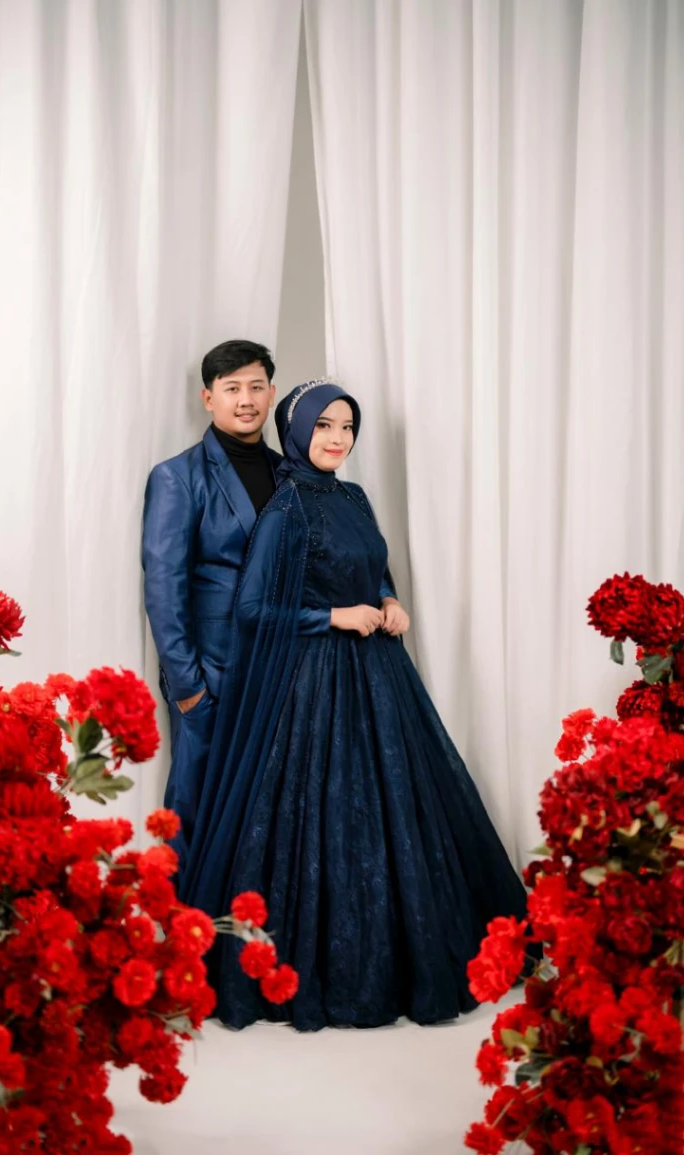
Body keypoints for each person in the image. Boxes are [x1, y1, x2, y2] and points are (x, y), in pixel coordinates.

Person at [181, 379, 528, 1031]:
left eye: (346, 427)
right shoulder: (285, 508)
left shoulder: (354, 497)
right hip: (311, 684)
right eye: (323, 426)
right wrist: (332, 616)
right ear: (297, 431)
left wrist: (389, 599)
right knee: (323, 812)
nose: (337, 438)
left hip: (378, 673)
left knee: (400, 805)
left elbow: (374, 567)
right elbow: (253, 610)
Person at [142, 340, 282, 874]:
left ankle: (251, 923)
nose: (246, 400)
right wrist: (188, 688)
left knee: (268, 811)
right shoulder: (177, 476)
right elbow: (164, 587)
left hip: (282, 669)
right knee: (194, 814)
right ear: (208, 398)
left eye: (255, 387)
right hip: (211, 674)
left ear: (271, 393)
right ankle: (179, 921)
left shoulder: (290, 474)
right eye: (232, 389)